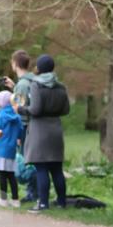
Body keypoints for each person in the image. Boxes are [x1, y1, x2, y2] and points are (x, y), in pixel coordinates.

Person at [23, 54, 70, 212]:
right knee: (57, 168)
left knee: (41, 167)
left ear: (39, 68)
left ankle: (43, 203)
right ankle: (62, 202)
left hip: (40, 130)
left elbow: (35, 110)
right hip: (55, 128)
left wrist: (22, 109)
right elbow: (66, 110)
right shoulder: (60, 86)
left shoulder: (36, 85)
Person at [5, 49, 35, 202]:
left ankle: (32, 192)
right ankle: (34, 191)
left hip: (24, 125)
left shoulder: (23, 84)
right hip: (33, 125)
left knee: (27, 159)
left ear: (15, 64)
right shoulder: (31, 80)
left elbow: (20, 107)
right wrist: (14, 87)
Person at [0, 90, 23, 207]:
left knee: (2, 175)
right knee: (11, 175)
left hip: (0, 148)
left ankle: (3, 200)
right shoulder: (17, 116)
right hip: (12, 149)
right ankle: (15, 200)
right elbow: (20, 131)